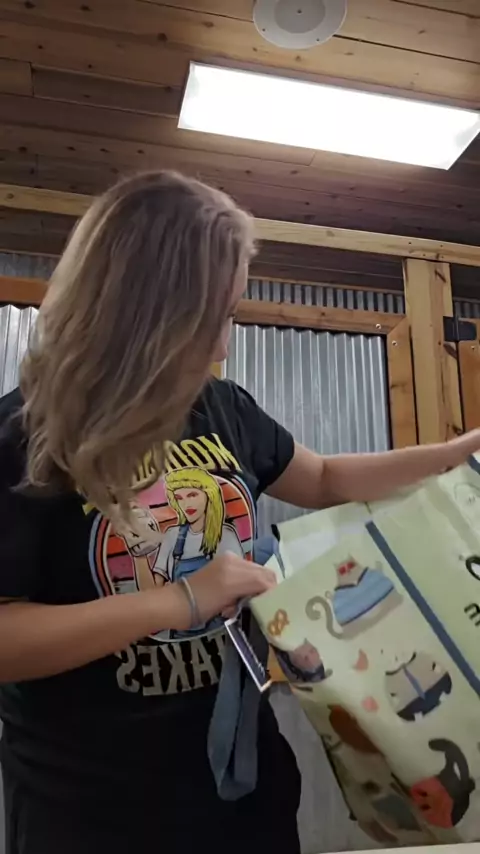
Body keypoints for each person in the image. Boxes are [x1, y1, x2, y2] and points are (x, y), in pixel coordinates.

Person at [1, 170, 479, 854]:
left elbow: (323, 476)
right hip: (91, 812)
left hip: (241, 795)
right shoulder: (22, 437)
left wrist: (455, 454)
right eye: (213, 319)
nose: (225, 345)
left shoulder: (222, 407)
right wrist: (179, 600)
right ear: (144, 312)